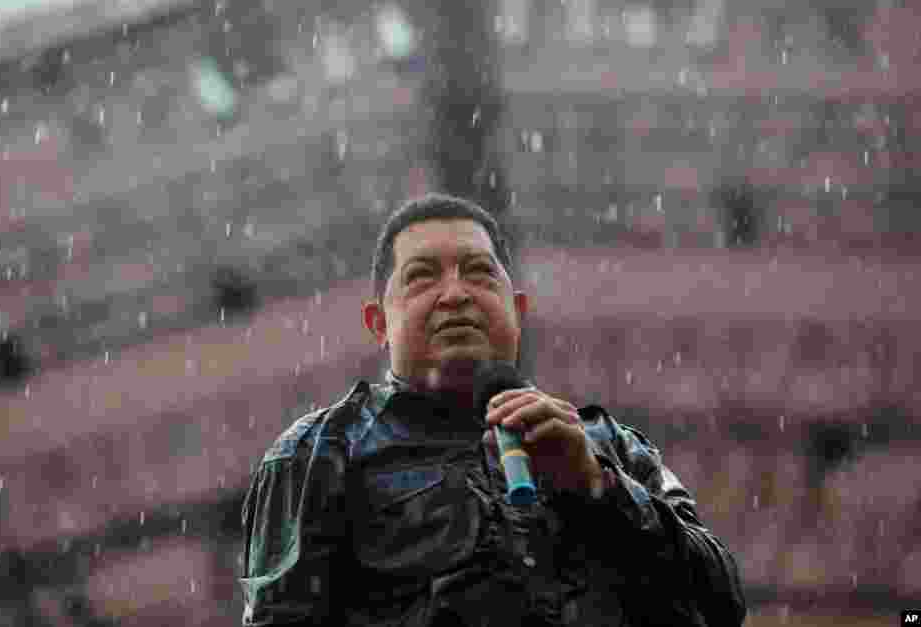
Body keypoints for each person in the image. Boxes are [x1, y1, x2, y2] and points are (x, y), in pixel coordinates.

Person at [239, 192, 746, 626]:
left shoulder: (608, 444)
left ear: (517, 311)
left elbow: (722, 601)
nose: (456, 294)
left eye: (480, 273)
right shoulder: (318, 452)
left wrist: (597, 485)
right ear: (378, 322)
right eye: (421, 277)